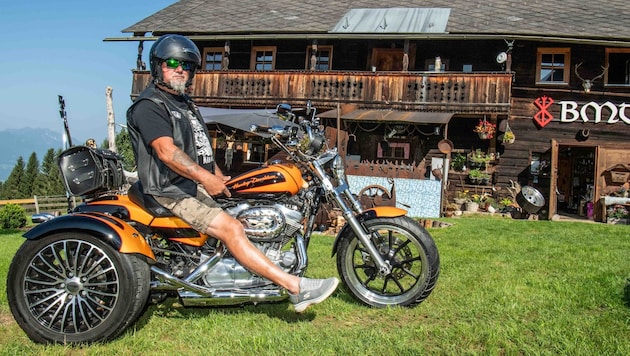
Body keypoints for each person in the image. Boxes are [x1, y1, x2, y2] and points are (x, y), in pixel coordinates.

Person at [126, 34, 338, 313]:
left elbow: (201, 147)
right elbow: (166, 152)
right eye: (173, 63)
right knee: (232, 228)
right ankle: (295, 287)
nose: (181, 69)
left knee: (244, 211)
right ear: (158, 66)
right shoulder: (150, 105)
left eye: (187, 65)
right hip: (170, 189)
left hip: (190, 185)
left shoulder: (185, 104)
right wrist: (205, 178)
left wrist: (219, 176)